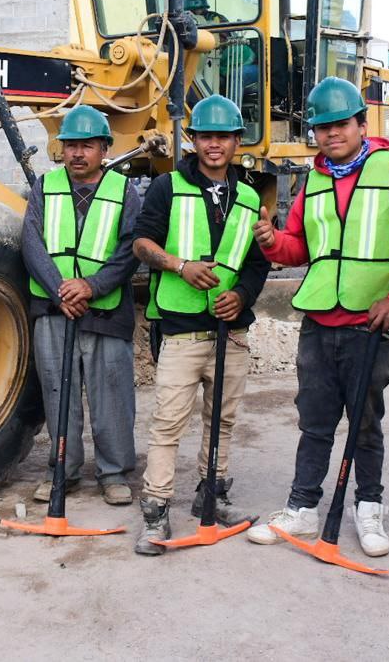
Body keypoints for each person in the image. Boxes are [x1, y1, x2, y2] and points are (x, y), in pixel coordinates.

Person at [246, 77, 389, 556]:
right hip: (318, 324)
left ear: (360, 124)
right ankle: (302, 508)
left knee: (366, 421)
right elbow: (300, 248)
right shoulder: (313, 181)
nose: (331, 135)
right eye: (322, 127)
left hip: (369, 327)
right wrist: (272, 243)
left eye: (340, 125)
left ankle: (369, 505)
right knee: (314, 420)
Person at [131, 94, 271, 555]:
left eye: (223, 137)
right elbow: (141, 244)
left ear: (236, 141)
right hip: (180, 329)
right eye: (205, 136)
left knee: (222, 420)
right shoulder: (167, 187)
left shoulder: (249, 196)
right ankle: (155, 512)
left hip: (230, 332)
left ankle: (213, 496)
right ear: (192, 141)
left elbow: (255, 263)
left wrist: (242, 296)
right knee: (167, 423)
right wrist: (180, 265)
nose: (214, 145)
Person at [22, 105, 141, 506]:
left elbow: (130, 251)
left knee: (113, 396)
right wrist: (60, 291)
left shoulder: (124, 191)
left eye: (86, 146)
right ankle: (63, 471)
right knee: (58, 394)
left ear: (104, 148)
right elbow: (32, 243)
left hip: (104, 310)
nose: (76, 154)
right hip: (54, 311)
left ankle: (115, 473)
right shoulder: (44, 187)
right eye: (70, 145)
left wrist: (90, 287)